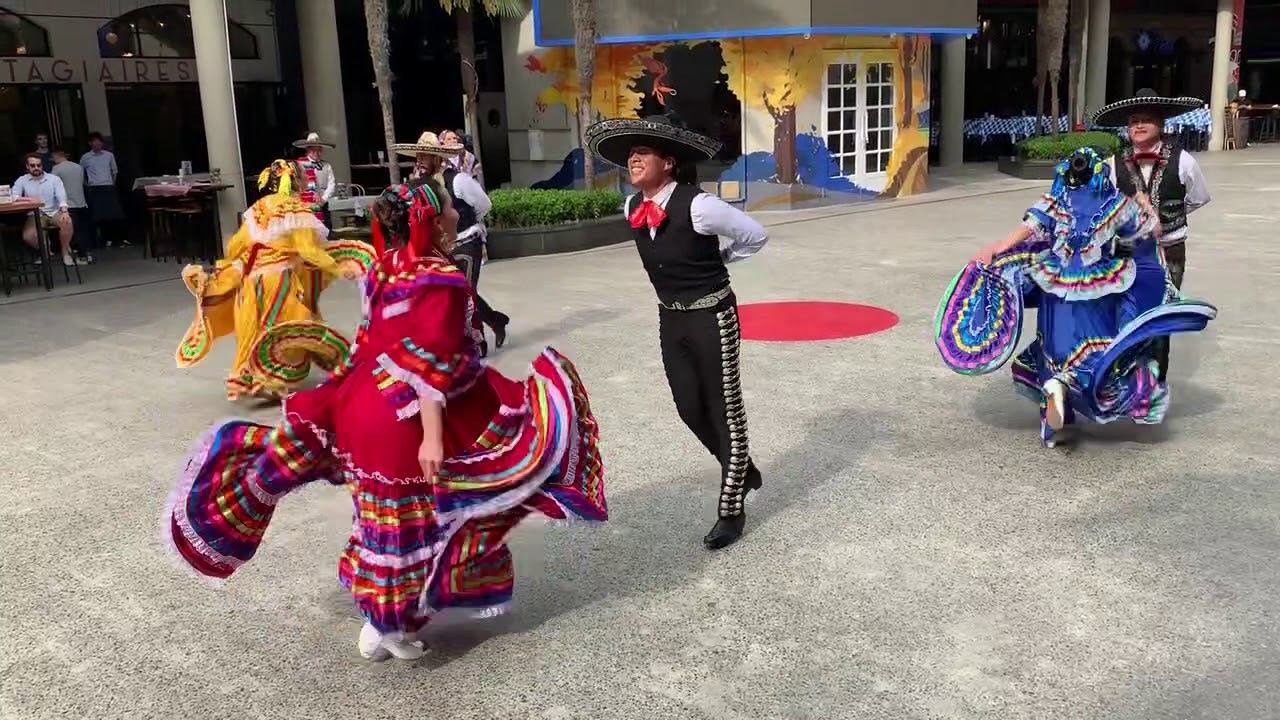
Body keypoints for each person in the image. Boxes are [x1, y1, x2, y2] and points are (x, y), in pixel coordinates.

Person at [162, 178, 607, 661]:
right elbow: (430, 364)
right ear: (431, 221)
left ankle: (388, 619)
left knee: (395, 521)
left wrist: (337, 402)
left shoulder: (385, 266)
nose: (456, 212)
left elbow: (373, 341)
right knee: (435, 513)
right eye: (449, 207)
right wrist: (432, 437)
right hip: (408, 419)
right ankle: (385, 626)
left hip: (366, 406)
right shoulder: (442, 277)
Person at [938, 148, 1217, 448]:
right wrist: (1121, 251)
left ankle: (1056, 397)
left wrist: (998, 249)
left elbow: (1029, 227)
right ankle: (1069, 386)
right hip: (1097, 286)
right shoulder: (1116, 203)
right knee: (1101, 351)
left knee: (1054, 346)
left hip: (1056, 283)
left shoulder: (1056, 200)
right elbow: (1142, 236)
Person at [584, 114, 768, 550]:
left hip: (713, 316)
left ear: (667, 163)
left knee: (725, 409)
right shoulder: (632, 207)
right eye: (631, 154)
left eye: (642, 153)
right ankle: (741, 468)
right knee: (688, 407)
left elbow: (756, 235)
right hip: (671, 318)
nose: (633, 160)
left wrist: (721, 259)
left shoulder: (699, 205)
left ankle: (732, 508)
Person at [174, 159, 374, 401]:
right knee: (296, 327)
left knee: (254, 330)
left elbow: (237, 244)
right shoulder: (296, 210)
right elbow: (309, 251)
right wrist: (338, 267)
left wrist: (232, 265)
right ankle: (283, 377)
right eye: (304, 176)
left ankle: (250, 379)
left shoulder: (259, 207)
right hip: (277, 281)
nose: (306, 180)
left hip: (251, 281)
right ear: (296, 180)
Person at [1091, 89, 1209, 381]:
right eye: (1134, 121)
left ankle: (1154, 384)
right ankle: (1123, 381)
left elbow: (1198, 198)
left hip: (1169, 250)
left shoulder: (1183, 161)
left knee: (1160, 317)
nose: (1139, 125)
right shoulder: (1112, 165)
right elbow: (1101, 206)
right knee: (1121, 313)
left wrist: (1168, 218)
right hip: (1126, 250)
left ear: (1161, 124)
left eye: (1146, 120)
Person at [392, 130, 509, 356]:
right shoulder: (417, 184)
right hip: (439, 246)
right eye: (418, 156)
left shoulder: (458, 180)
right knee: (451, 292)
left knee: (464, 292)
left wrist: (465, 220)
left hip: (466, 241)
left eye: (425, 156)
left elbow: (485, 204)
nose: (420, 161)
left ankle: (476, 341)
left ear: (437, 158)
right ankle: (495, 320)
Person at [13, 152, 82, 267]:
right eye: (33, 165)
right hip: (35, 213)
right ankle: (45, 250)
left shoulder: (53, 179)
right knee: (28, 236)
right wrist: (29, 200)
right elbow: (14, 196)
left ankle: (65, 252)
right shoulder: (22, 180)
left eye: (38, 165)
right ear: (27, 166)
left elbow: (61, 196)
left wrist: (64, 211)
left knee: (67, 221)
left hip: (53, 211)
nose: (36, 168)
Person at [80, 132, 127, 248]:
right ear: (90, 143)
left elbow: (114, 171)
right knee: (96, 216)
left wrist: (112, 183)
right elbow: (81, 172)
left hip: (108, 186)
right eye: (94, 141)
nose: (97, 144)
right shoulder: (85, 157)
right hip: (94, 188)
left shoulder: (109, 155)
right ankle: (99, 240)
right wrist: (86, 184)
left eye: (99, 141)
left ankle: (115, 239)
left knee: (113, 215)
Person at [49, 147, 92, 264]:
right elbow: (83, 183)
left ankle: (77, 255)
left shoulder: (57, 169)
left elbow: (51, 186)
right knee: (83, 230)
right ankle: (86, 254)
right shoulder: (78, 167)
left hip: (68, 204)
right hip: (82, 203)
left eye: (52, 158)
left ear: (56, 156)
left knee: (72, 231)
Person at [294, 131, 337, 228]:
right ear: (307, 150)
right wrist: (311, 193)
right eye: (313, 150)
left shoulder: (327, 165)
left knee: (326, 229)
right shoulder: (300, 164)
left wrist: (323, 200)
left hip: (324, 203)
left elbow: (332, 184)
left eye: (319, 150)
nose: (316, 153)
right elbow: (298, 183)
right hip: (307, 204)